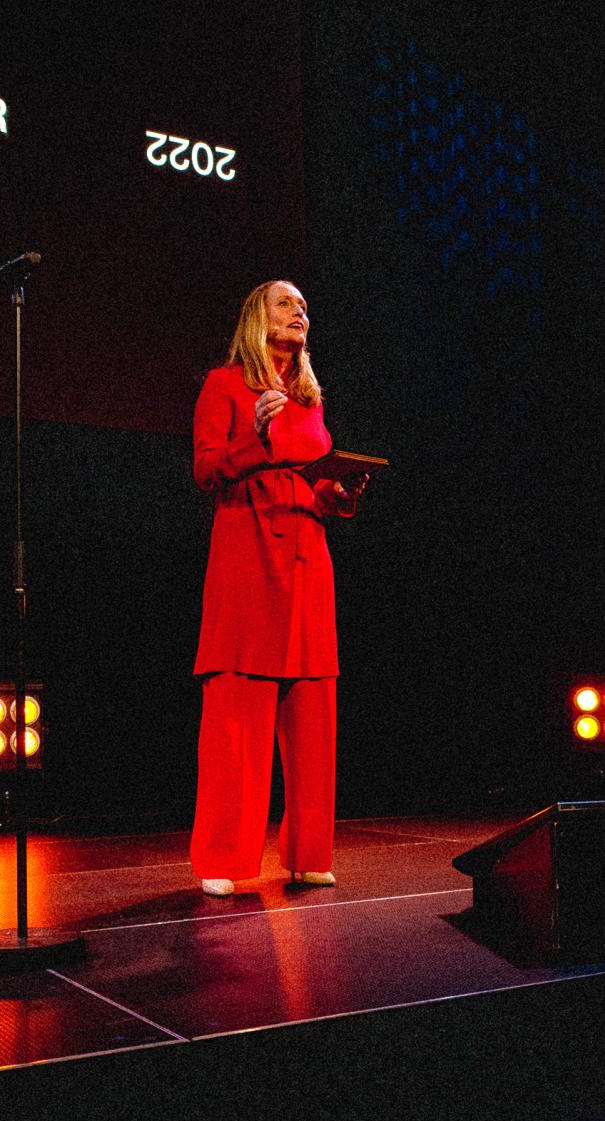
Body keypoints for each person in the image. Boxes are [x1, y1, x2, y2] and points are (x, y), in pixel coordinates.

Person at [190, 279, 367, 896]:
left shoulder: (309, 397)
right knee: (239, 712)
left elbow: (314, 477)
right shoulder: (224, 384)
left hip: (307, 556)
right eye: (287, 305)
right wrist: (255, 438)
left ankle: (307, 852)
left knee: (314, 709)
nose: (301, 314)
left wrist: (338, 494)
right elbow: (207, 468)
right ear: (256, 317)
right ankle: (224, 859)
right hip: (248, 553)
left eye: (305, 309)